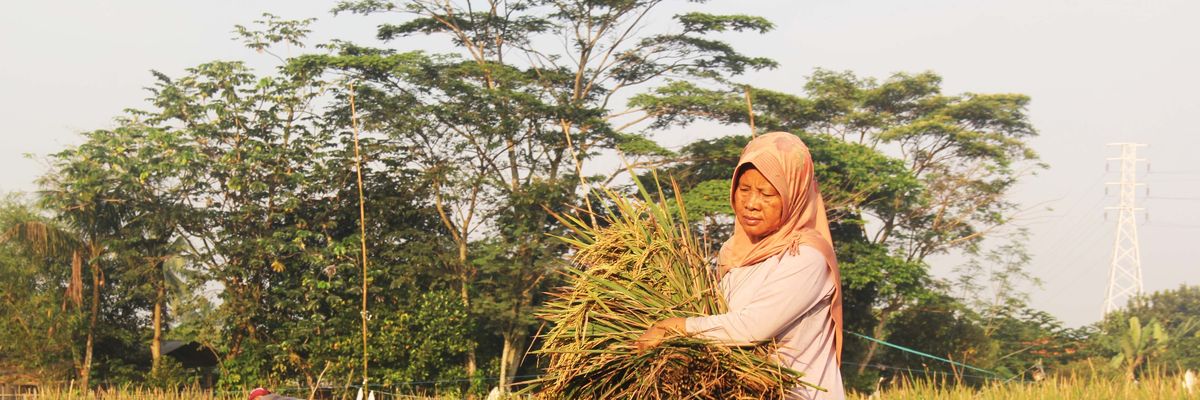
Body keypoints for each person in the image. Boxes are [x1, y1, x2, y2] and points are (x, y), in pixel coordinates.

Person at [636, 131, 845, 399]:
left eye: (767, 193)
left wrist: (674, 327)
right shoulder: (733, 252)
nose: (751, 204)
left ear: (793, 195)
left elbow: (753, 328)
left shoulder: (806, 257)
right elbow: (717, 321)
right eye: (744, 189)